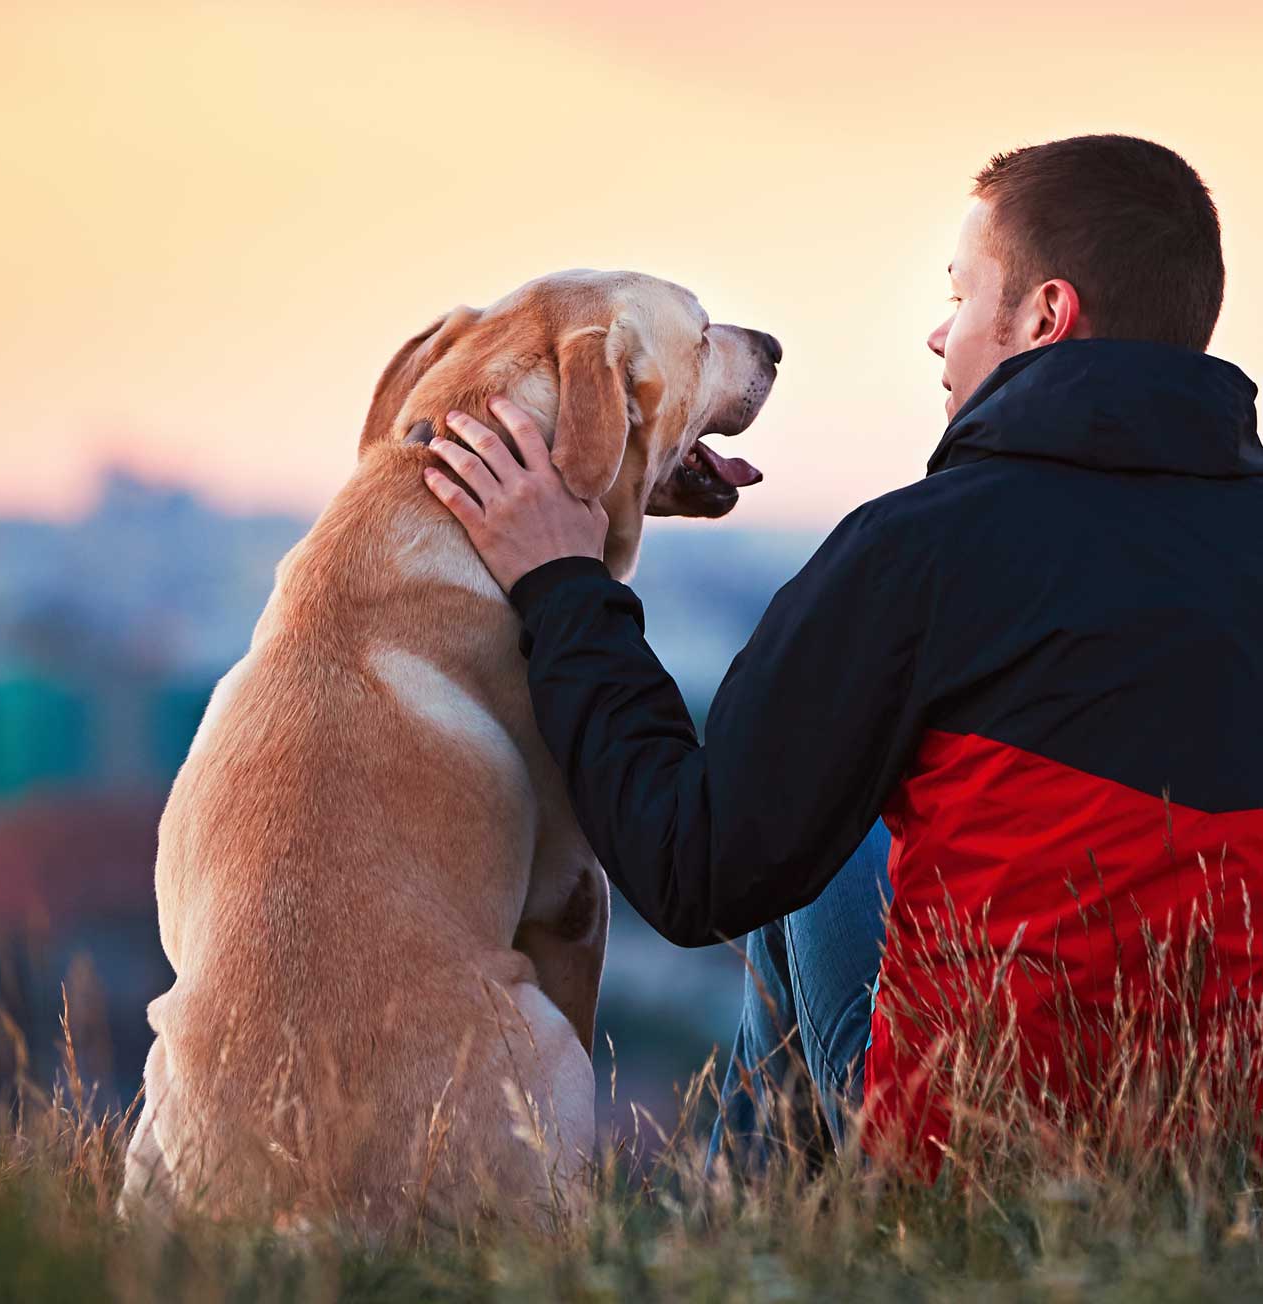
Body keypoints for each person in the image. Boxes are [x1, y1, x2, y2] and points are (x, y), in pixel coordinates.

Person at [420, 134, 1263, 1168]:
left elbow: (692, 868)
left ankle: (754, 1234)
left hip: (989, 1156)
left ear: (1045, 316)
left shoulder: (924, 547)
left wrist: (562, 587)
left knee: (808, 843)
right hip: (1232, 1157)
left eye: (961, 295)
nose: (938, 333)